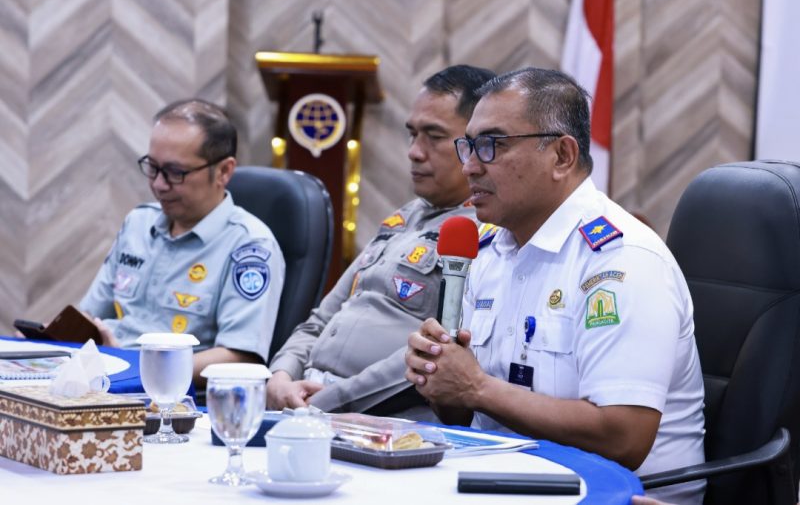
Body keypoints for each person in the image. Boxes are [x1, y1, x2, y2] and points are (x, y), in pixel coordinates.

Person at [404, 68, 705, 503]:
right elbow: (468, 418)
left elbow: (625, 438)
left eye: (491, 145)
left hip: (619, 493)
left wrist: (477, 387)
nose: (469, 165)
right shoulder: (488, 253)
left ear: (562, 156)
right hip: (505, 481)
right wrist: (442, 377)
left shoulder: (622, 261)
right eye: (468, 145)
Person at [266, 65, 496, 417]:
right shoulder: (402, 219)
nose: (414, 152)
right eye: (412, 134)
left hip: (379, 421)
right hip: (306, 404)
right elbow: (320, 319)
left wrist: (325, 402)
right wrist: (281, 376)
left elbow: (434, 355)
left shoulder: (481, 234)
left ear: (475, 146)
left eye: (433, 137)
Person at [80, 99, 285, 384]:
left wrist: (139, 368)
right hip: (104, 383)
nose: (159, 185)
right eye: (153, 167)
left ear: (224, 171)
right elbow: (89, 317)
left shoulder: (249, 247)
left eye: (176, 173)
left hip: (175, 402)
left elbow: (241, 356)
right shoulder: (138, 223)